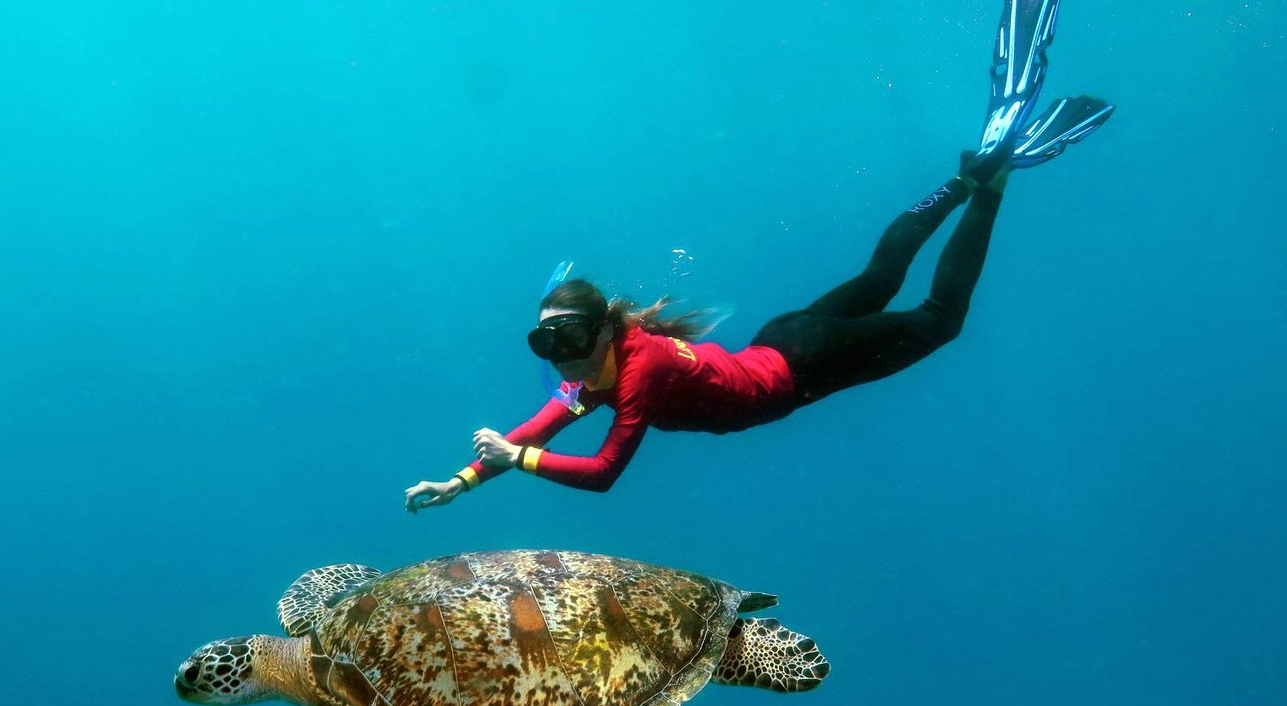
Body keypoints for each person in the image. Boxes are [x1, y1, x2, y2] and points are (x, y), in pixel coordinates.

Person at [405, 0, 1112, 510]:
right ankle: (964, 177)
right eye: (544, 340)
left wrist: (517, 460)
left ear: (600, 331)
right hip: (783, 344)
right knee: (878, 277)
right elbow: (537, 425)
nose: (557, 354)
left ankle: (986, 187)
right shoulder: (595, 372)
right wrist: (463, 480)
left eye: (565, 337)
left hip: (804, 363)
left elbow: (602, 473)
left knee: (939, 315)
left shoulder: (638, 369)